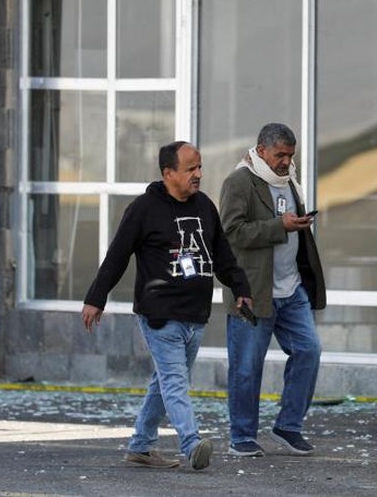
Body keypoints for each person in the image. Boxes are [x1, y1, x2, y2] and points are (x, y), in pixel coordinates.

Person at [82, 141, 253, 471]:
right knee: (175, 382)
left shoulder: (204, 206)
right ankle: (191, 443)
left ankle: (141, 446)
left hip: (196, 314)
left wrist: (240, 287)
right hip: (160, 314)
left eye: (199, 167)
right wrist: (95, 298)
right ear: (168, 173)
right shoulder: (143, 209)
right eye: (190, 169)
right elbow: (117, 256)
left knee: (165, 382)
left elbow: (223, 255)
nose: (198, 174)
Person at [220, 122, 326, 457]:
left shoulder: (289, 180)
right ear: (262, 150)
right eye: (280, 155)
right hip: (254, 292)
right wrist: (280, 226)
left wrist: (296, 225)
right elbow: (231, 233)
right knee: (246, 367)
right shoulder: (239, 181)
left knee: (309, 351)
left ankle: (288, 426)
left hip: (292, 290)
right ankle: (242, 436)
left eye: (290, 155)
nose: (286, 162)